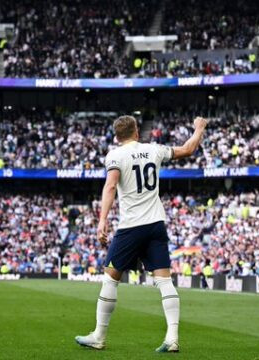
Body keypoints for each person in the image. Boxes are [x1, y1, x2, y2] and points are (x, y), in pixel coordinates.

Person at [75, 115, 208, 352]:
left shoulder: (115, 155)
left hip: (131, 226)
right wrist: (198, 128)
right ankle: (172, 338)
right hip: (156, 223)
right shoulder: (154, 150)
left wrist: (103, 219)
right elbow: (188, 149)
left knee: (110, 278)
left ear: (116, 136)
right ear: (137, 132)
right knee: (165, 281)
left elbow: (111, 186)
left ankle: (99, 336)